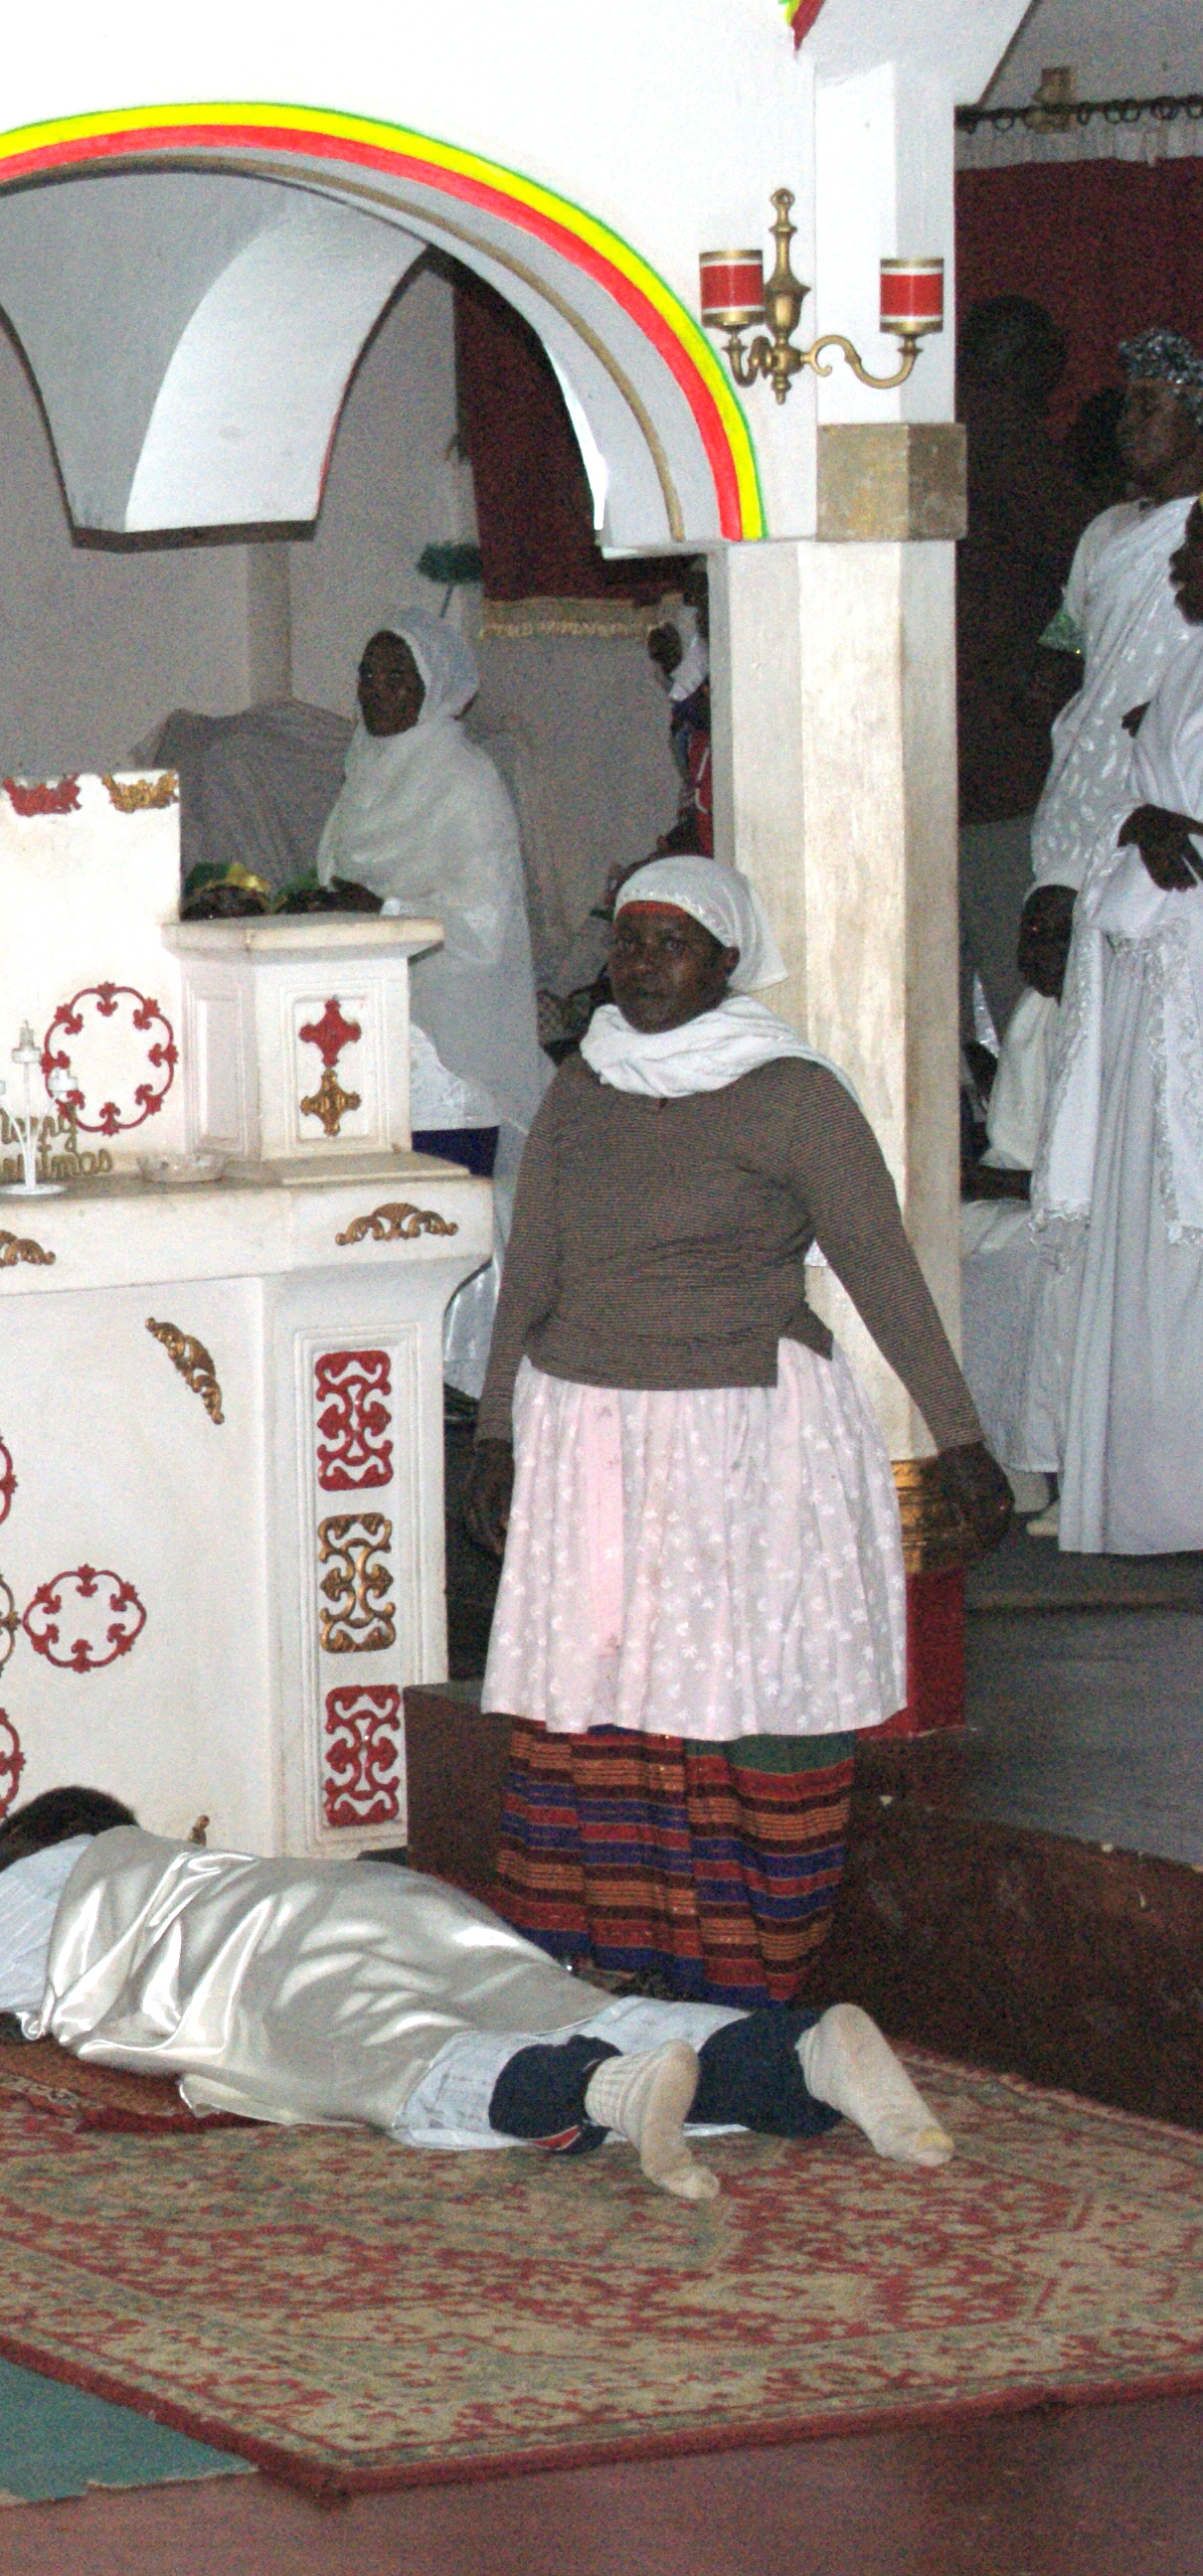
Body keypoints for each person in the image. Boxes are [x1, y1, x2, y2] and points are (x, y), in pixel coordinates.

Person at [462, 859, 1012, 2005]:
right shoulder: (582, 1087)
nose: (638, 964)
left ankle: (741, 1969)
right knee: (600, 1692)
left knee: (732, 1692)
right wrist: (494, 1436)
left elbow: (880, 1270)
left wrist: (957, 1437)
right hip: (587, 1436)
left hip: (738, 1441)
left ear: (725, 959)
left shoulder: (789, 1095)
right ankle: (608, 1954)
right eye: (626, 940)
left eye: (669, 943)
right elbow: (529, 1278)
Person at [0, 1787, 956, 2203]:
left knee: (388, 2061)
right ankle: (798, 2054)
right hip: (388, 1902)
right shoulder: (206, 1863)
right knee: (545, 1998)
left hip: (280, 1966)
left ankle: (605, 2095)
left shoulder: (56, 1878)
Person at [1034, 513, 1203, 1555]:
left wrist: (1162, 824)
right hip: (1161, 983)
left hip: (1189, 978)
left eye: (1200, 546)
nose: (1183, 561)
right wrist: (1142, 821)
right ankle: (1160, 1493)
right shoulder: (1184, 669)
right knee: (1151, 1234)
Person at [314, 613, 546, 1182]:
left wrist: (388, 911)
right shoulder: (362, 773)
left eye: (397, 678)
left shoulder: (466, 781)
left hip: (447, 1042)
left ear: (433, 688)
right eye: (367, 676)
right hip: (367, 1026)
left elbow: (486, 923)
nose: (377, 692)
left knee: (446, 1199)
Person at [1024, 333, 1203, 920]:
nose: (1128, 425)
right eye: (1127, 407)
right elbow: (1069, 641)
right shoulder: (1107, 530)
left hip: (1174, 784)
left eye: (1150, 407)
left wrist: (1171, 712)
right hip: (1090, 771)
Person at [957, 299, 1099, 1013]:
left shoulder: (935, 416)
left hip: (932, 746)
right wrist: (1061, 655)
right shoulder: (1001, 428)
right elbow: (1094, 562)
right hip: (1001, 752)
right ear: (1022, 361)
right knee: (1029, 1001)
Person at [959, 884, 1073, 1522]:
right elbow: (1018, 1139)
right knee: (935, 1246)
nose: (1039, 951)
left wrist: (981, 1181)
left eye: (1059, 936)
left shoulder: (1112, 1017)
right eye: (1031, 935)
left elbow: (1095, 1176)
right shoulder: (1038, 1010)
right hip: (1023, 1194)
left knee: (1030, 1265)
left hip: (1079, 1213)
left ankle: (1059, 1470)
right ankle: (1005, 1460)